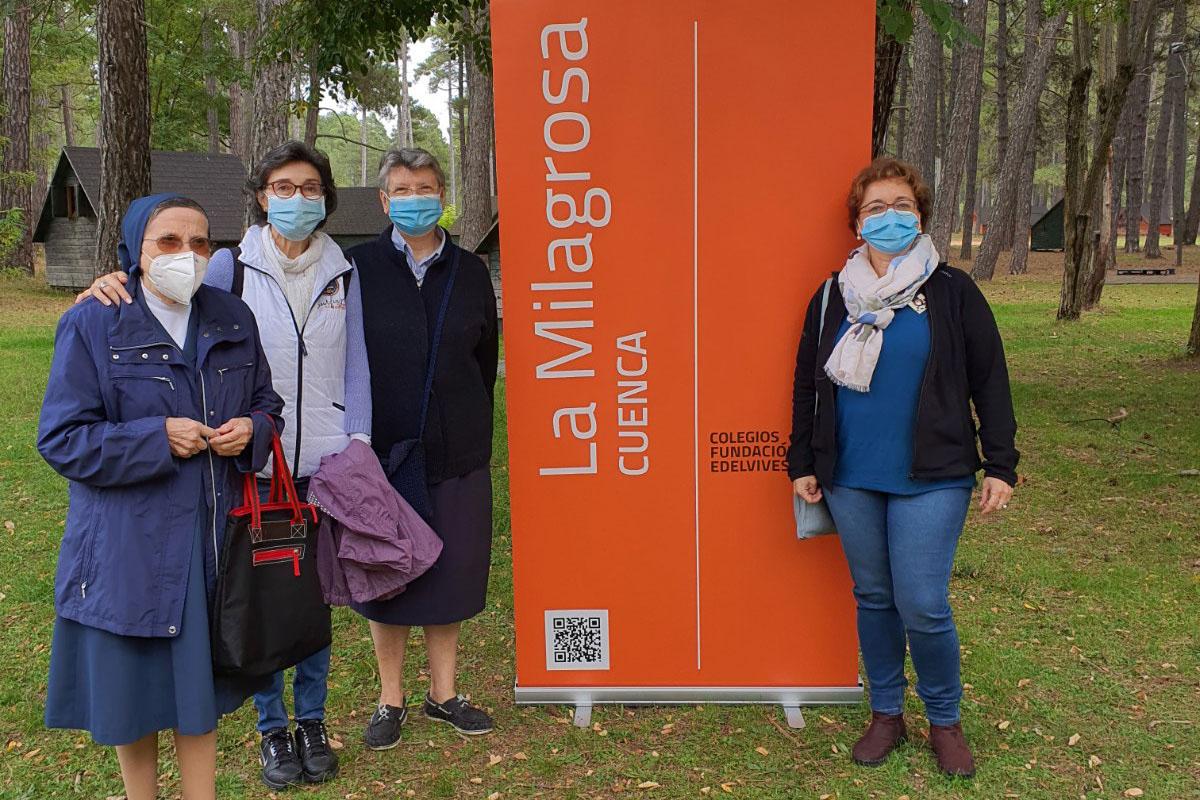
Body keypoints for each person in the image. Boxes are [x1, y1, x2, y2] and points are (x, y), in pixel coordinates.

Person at [79, 141, 369, 790]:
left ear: (325, 196)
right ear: (262, 195)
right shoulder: (228, 272)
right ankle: (272, 729)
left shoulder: (345, 270)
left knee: (309, 600)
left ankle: (313, 720)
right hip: (242, 478)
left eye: (310, 187)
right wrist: (112, 285)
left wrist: (351, 440)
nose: (297, 198)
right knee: (253, 599)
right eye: (282, 187)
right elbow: (161, 299)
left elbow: (353, 366)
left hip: (315, 464)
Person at [39, 194, 283, 800]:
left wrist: (253, 430)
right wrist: (154, 438)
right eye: (168, 242)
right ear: (135, 250)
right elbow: (63, 439)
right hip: (129, 544)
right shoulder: (96, 321)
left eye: (200, 243)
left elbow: (267, 405)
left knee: (197, 698)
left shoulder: (232, 317)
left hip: (210, 542)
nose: (187, 254)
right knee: (133, 698)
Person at [787, 157, 1018, 778]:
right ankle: (886, 714)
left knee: (922, 602)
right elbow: (810, 380)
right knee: (875, 596)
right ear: (857, 224)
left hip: (934, 474)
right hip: (852, 475)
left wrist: (1001, 464)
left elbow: (990, 381)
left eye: (901, 206)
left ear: (920, 216)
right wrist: (802, 459)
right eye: (875, 208)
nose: (889, 217)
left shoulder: (952, 291)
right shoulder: (834, 293)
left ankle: (944, 721)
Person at [346, 147, 499, 749]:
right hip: (383, 454)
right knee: (390, 576)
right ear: (385, 201)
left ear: (444, 195)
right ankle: (390, 699)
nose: (415, 198)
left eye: (427, 187)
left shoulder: (469, 270)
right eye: (403, 189)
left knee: (451, 574)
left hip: (458, 452)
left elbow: (485, 359)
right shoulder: (357, 268)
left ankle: (444, 693)